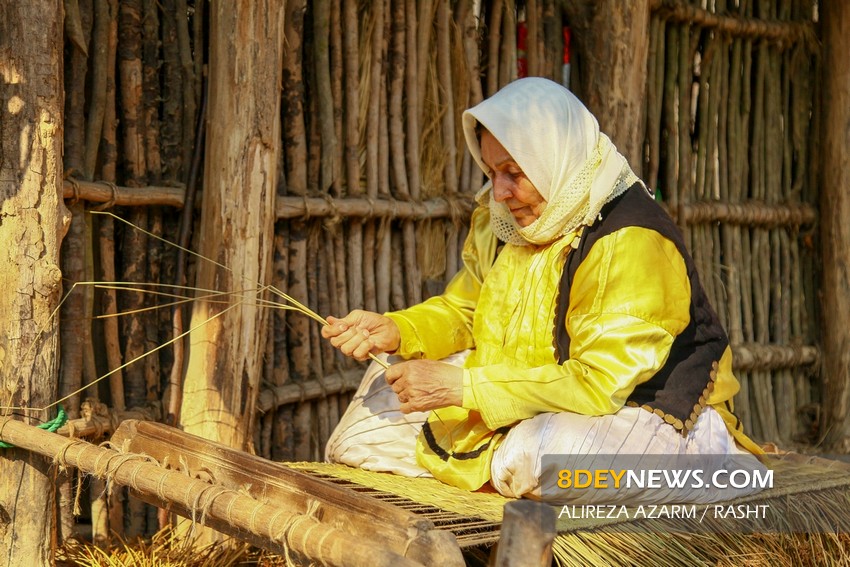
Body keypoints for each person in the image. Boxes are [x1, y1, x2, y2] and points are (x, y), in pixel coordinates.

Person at [321, 77, 762, 503]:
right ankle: (501, 466)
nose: (500, 191)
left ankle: (714, 462)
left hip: (640, 408)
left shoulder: (629, 239)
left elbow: (598, 383)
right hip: (528, 395)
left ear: (554, 158)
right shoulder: (505, 219)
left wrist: (466, 389)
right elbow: (466, 311)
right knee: (362, 427)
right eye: (491, 170)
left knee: (541, 455)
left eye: (513, 172)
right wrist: (396, 329)